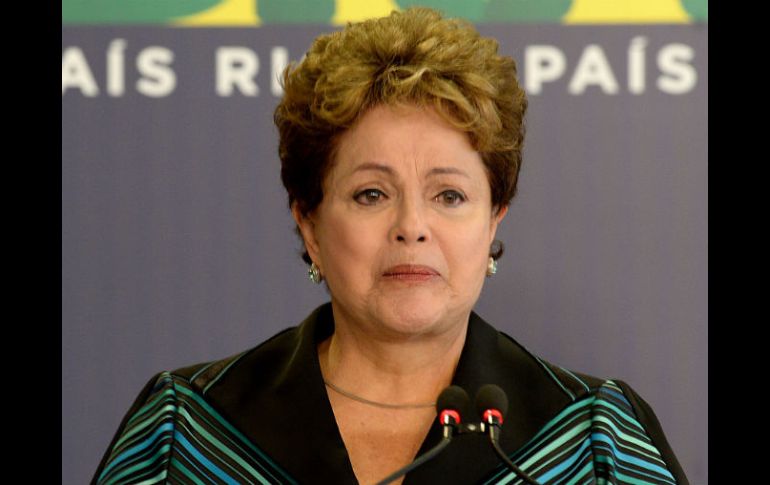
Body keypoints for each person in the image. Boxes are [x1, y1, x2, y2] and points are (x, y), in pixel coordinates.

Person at [91, 7, 688, 485]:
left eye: (449, 196)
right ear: (310, 224)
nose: (412, 226)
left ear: (494, 221)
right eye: (372, 194)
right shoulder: (189, 432)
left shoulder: (593, 439)